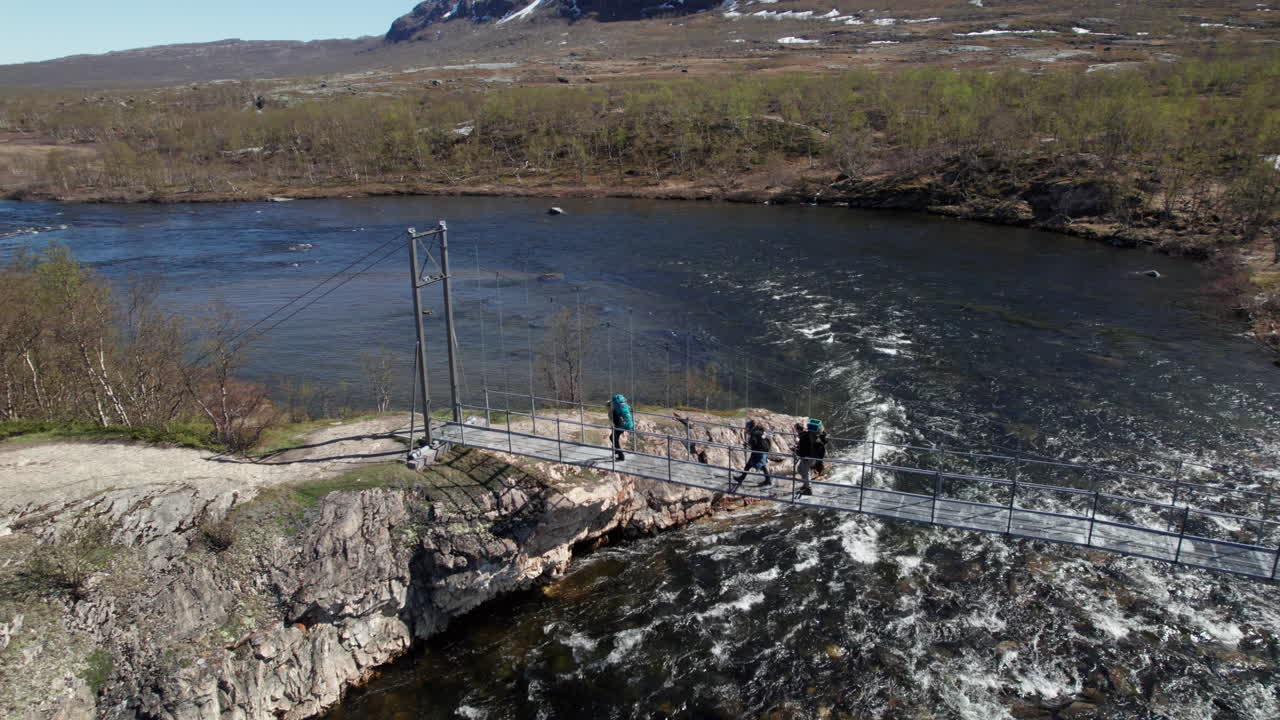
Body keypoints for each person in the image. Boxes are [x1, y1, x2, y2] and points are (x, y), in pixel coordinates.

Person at [733, 419, 773, 488]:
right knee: (758, 465)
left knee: (755, 465)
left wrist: (747, 444)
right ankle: (767, 480)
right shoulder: (759, 430)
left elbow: (753, 443)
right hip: (763, 450)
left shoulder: (754, 433)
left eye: (747, 427)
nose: (747, 429)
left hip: (758, 451)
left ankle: (768, 480)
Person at [794, 417, 827, 496]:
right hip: (813, 456)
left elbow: (802, 451)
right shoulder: (814, 436)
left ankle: (808, 489)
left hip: (808, 457)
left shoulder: (804, 437)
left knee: (804, 471)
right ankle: (806, 485)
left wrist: (796, 450)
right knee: (800, 469)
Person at [609, 393, 634, 461]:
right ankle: (617, 451)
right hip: (622, 425)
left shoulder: (619, 407)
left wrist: (625, 425)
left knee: (613, 437)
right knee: (614, 437)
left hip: (621, 425)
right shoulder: (623, 405)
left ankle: (621, 456)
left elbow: (624, 417)